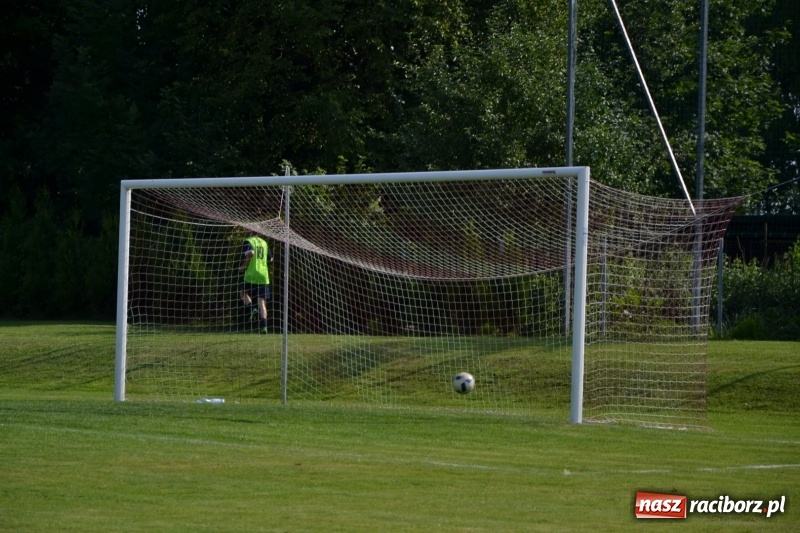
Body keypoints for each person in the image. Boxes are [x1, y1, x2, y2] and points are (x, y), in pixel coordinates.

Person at [239, 233, 273, 333]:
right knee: (261, 301)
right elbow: (271, 259)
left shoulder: (248, 241)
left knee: (242, 292)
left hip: (251, 274)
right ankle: (264, 327)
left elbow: (251, 253)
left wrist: (244, 265)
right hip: (263, 276)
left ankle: (251, 307)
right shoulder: (264, 243)